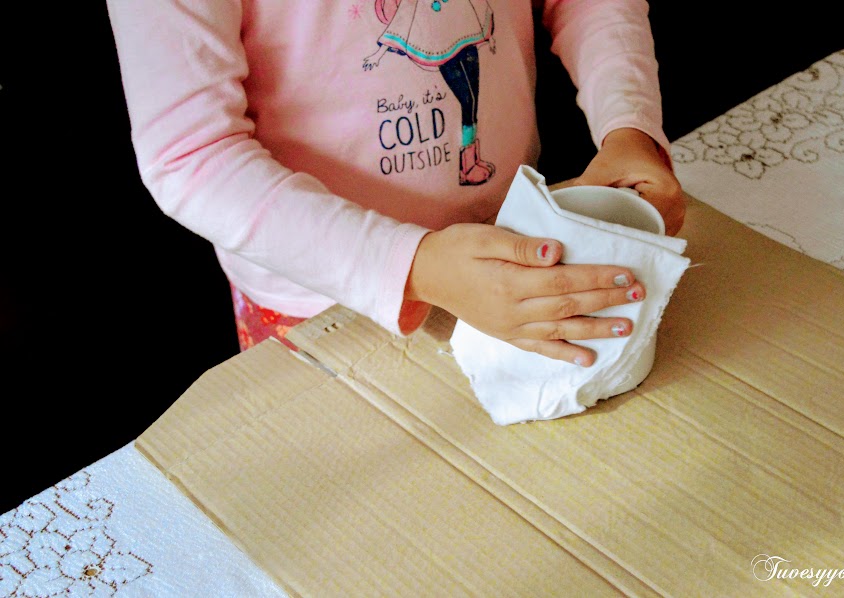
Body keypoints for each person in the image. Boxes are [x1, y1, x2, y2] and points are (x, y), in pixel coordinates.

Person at [105, 0, 685, 368]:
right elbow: (191, 155)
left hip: (517, 243)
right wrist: (415, 266)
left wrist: (628, 124)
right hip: (322, 302)